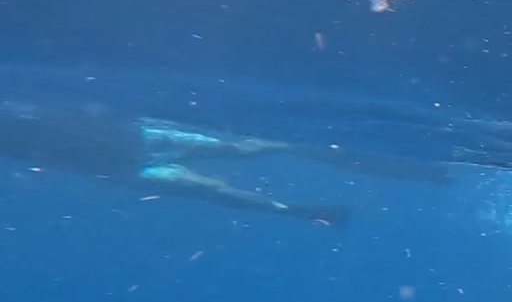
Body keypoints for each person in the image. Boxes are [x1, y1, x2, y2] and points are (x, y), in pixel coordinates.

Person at [0, 102, 350, 227]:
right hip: (131, 157)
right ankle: (299, 207)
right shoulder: (15, 128)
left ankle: (307, 150)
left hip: (137, 143)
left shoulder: (17, 118)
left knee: (232, 155)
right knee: (214, 186)